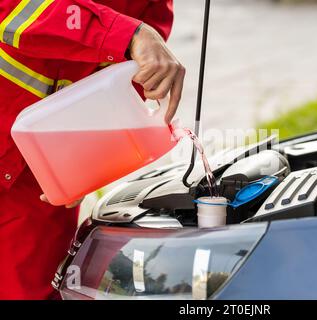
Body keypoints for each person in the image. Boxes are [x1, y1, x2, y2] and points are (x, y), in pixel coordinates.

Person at [0, 0, 184, 299]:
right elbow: (14, 10)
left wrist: (84, 161)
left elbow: (124, 84)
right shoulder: (140, 29)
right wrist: (131, 35)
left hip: (41, 174)